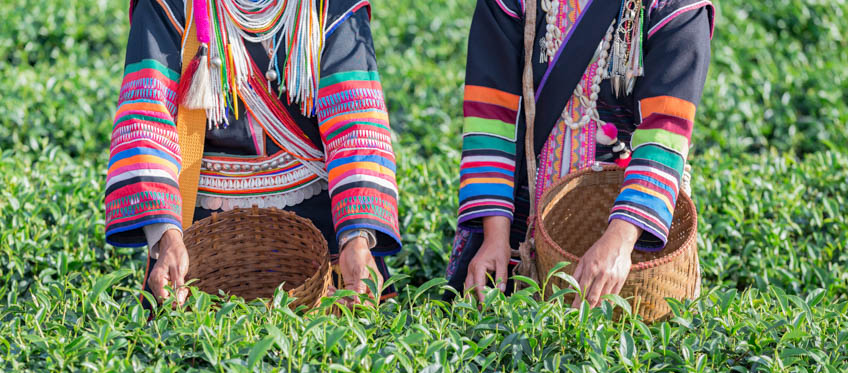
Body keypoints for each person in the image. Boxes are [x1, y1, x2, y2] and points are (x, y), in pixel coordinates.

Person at [105, 0, 401, 307]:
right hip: (202, 236)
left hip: (323, 229)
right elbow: (146, 119)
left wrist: (358, 239)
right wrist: (165, 237)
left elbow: (356, 124)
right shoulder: (170, 6)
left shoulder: (333, 7)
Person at [446, 0, 714, 306]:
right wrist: (495, 237)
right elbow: (491, 115)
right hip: (517, 238)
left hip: (628, 237)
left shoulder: (672, 7)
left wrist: (620, 242)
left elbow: (664, 134)